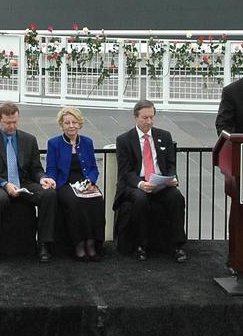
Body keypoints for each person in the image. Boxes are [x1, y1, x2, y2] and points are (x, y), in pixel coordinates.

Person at [0, 102, 56, 264]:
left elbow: (35, 168)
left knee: (49, 194)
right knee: (0, 199)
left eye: (15, 122)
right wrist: (5, 184)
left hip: (23, 181)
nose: (12, 126)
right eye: (8, 123)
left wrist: (42, 178)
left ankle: (43, 244)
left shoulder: (29, 139)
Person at [115, 100, 187, 263]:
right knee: (140, 199)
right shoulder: (124, 140)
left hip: (160, 181)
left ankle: (177, 245)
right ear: (136, 117)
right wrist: (141, 184)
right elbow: (125, 170)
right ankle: (141, 245)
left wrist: (171, 178)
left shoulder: (164, 136)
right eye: (145, 118)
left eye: (151, 118)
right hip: (137, 182)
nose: (149, 122)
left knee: (176, 197)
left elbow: (170, 163)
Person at [44, 106, 105, 261]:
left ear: (80, 124)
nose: (71, 126)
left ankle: (91, 244)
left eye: (74, 122)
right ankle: (78, 244)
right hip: (64, 183)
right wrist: (51, 181)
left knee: (97, 200)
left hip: (84, 182)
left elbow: (93, 168)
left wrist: (91, 181)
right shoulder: (54, 143)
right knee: (75, 202)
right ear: (62, 125)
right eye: (67, 123)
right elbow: (51, 169)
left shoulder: (87, 142)